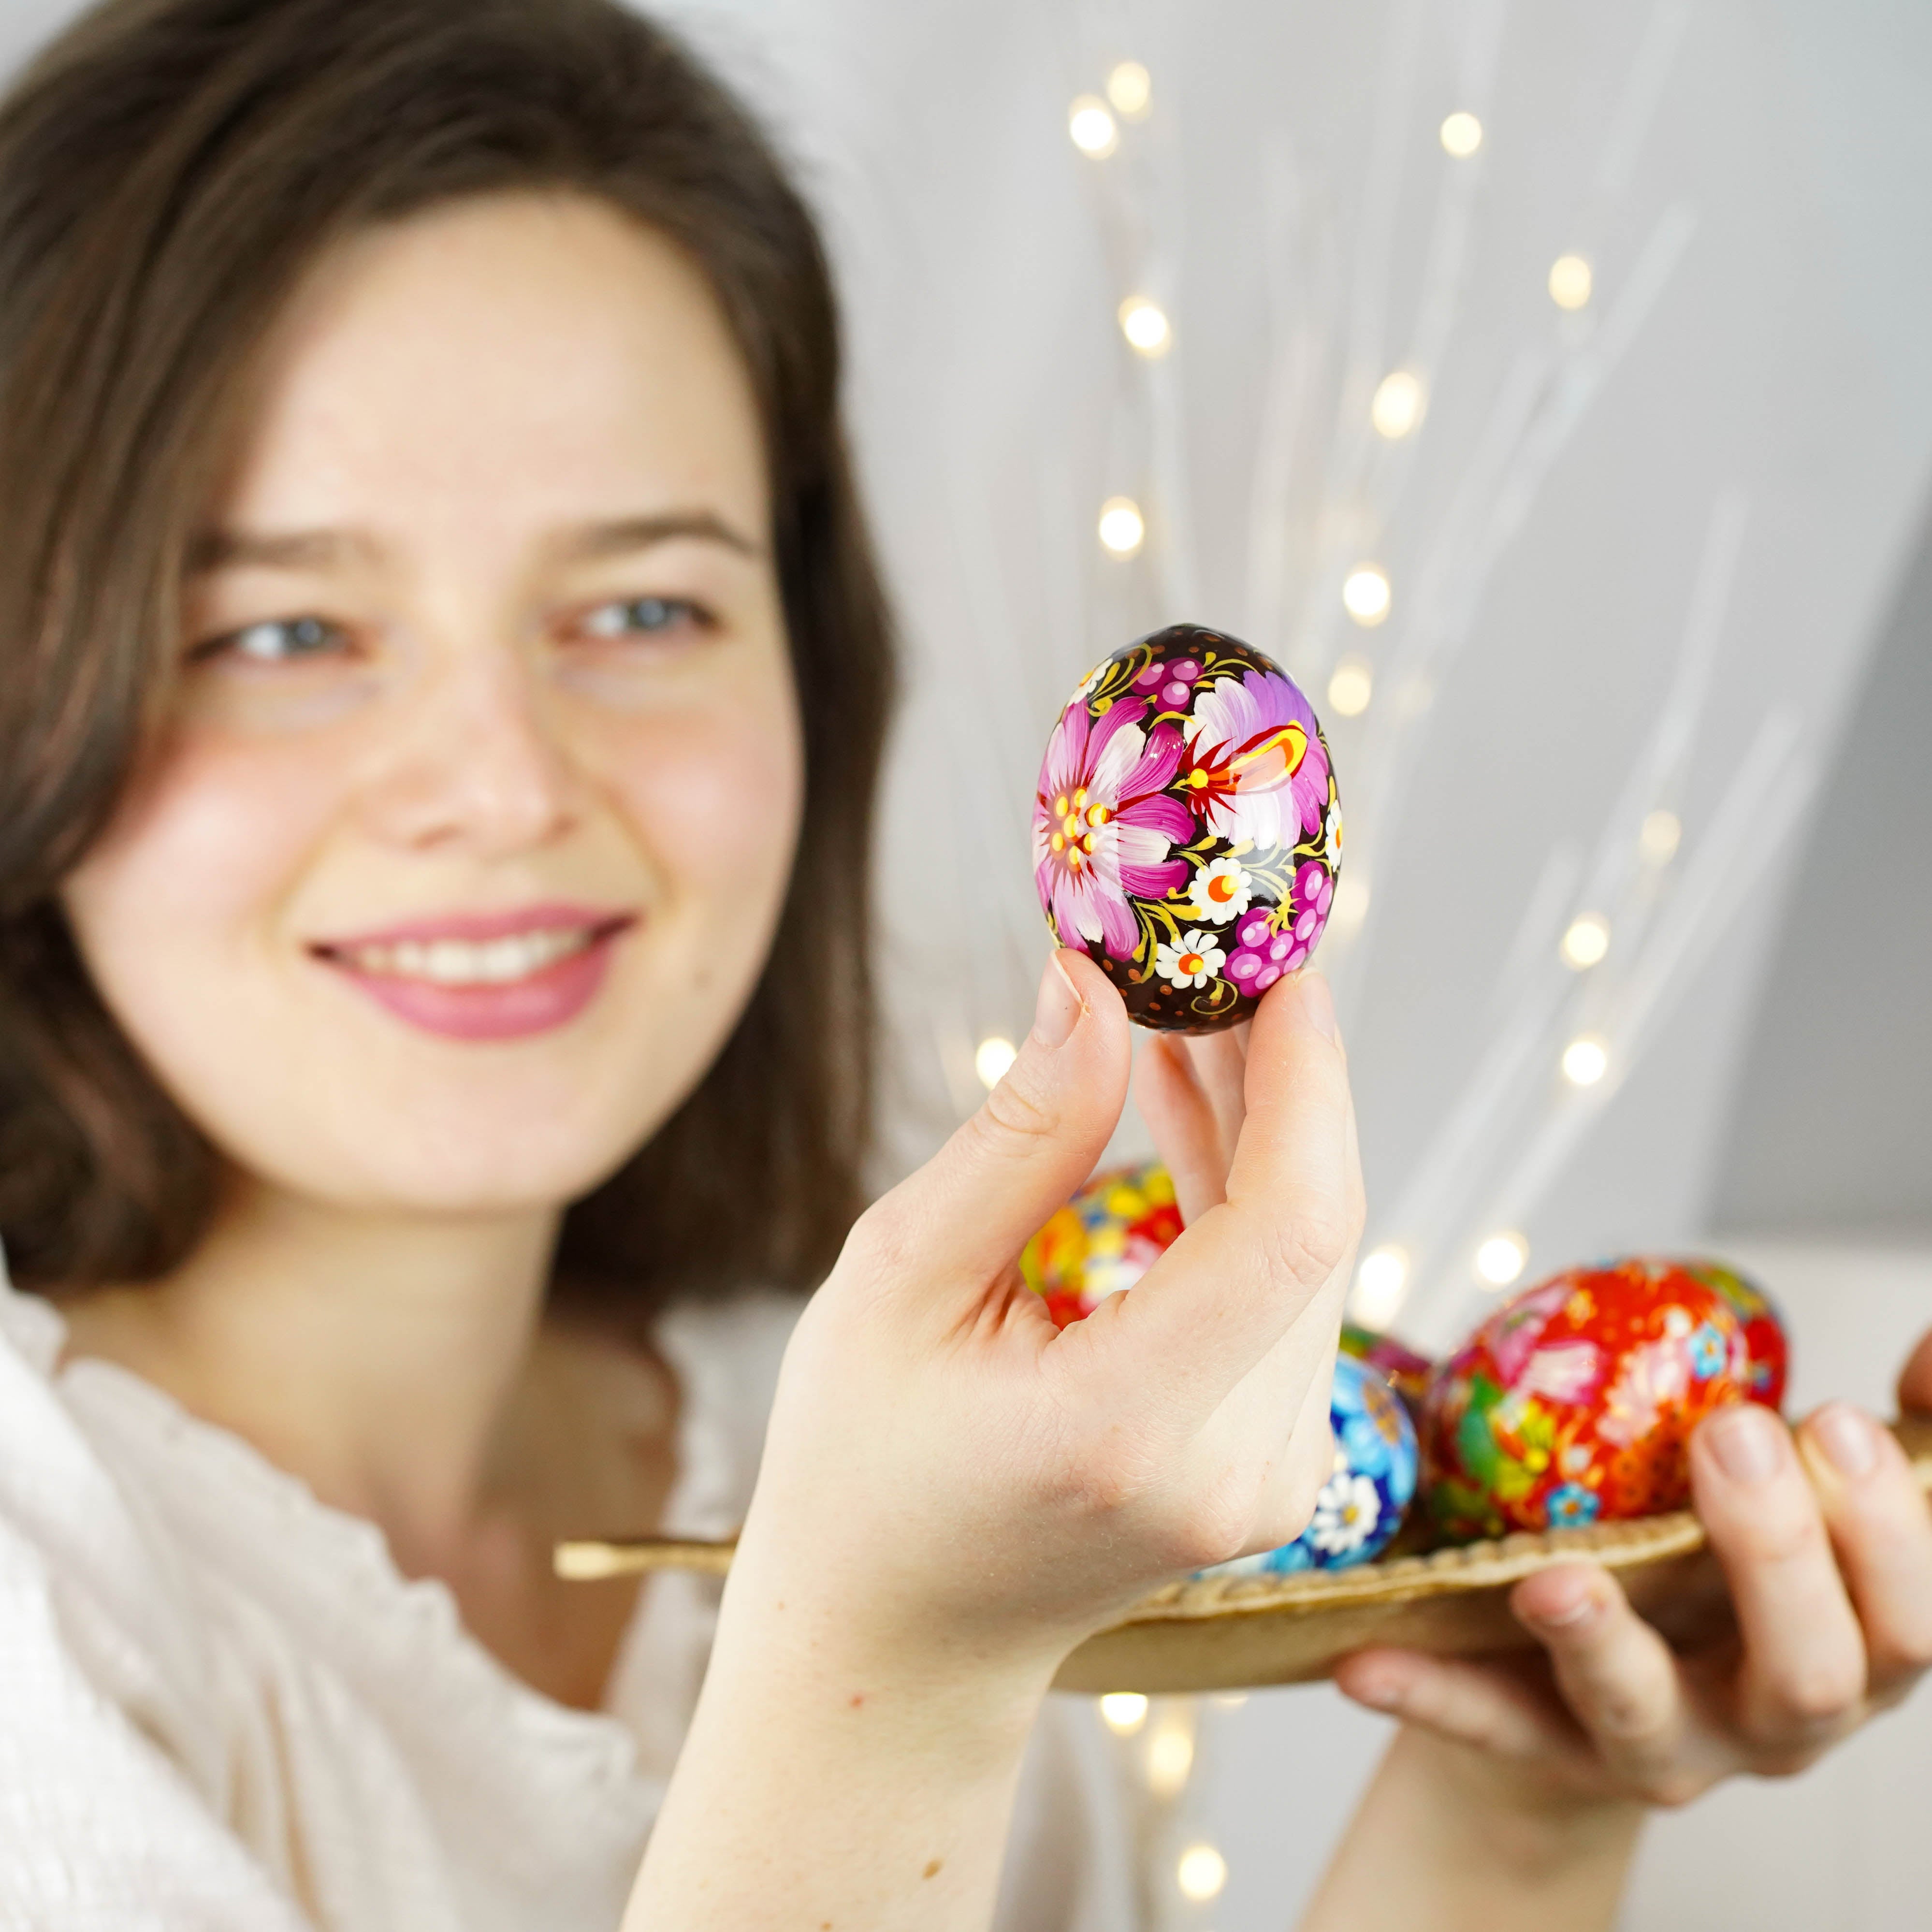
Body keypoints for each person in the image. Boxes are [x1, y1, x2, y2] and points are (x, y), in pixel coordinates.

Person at [0, 3, 1924, 1929]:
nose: (501, 786)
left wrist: (1522, 1805)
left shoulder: (855, 1411)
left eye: (648, 603)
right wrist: (892, 1671)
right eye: (278, 632)